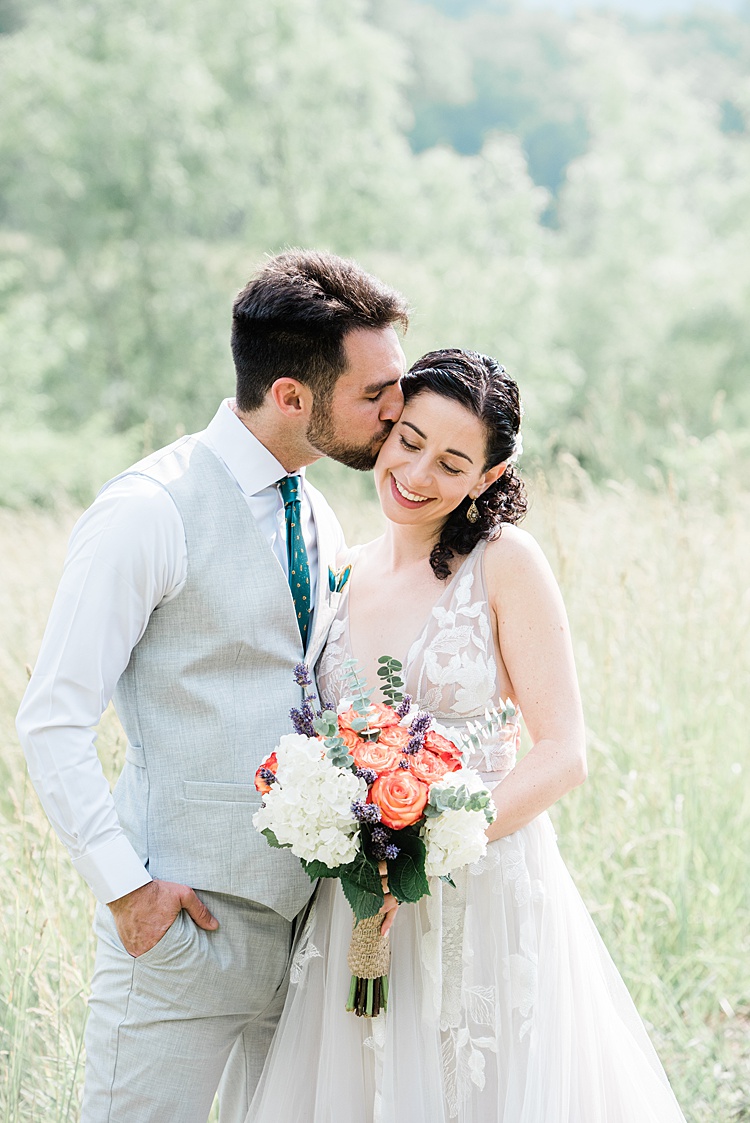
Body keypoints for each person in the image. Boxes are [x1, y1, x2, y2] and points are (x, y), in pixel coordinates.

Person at [15, 249, 408, 1123]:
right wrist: (126, 888)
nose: (397, 408)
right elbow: (50, 720)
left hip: (303, 944)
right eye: (374, 391)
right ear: (292, 396)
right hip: (178, 934)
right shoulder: (147, 510)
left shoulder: (321, 511)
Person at [246, 348, 687, 1122]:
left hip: (484, 890)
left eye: (452, 462)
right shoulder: (343, 571)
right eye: (408, 440)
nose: (416, 474)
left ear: (487, 477)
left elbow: (563, 750)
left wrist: (434, 838)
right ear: (386, 429)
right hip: (360, 902)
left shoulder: (504, 562)